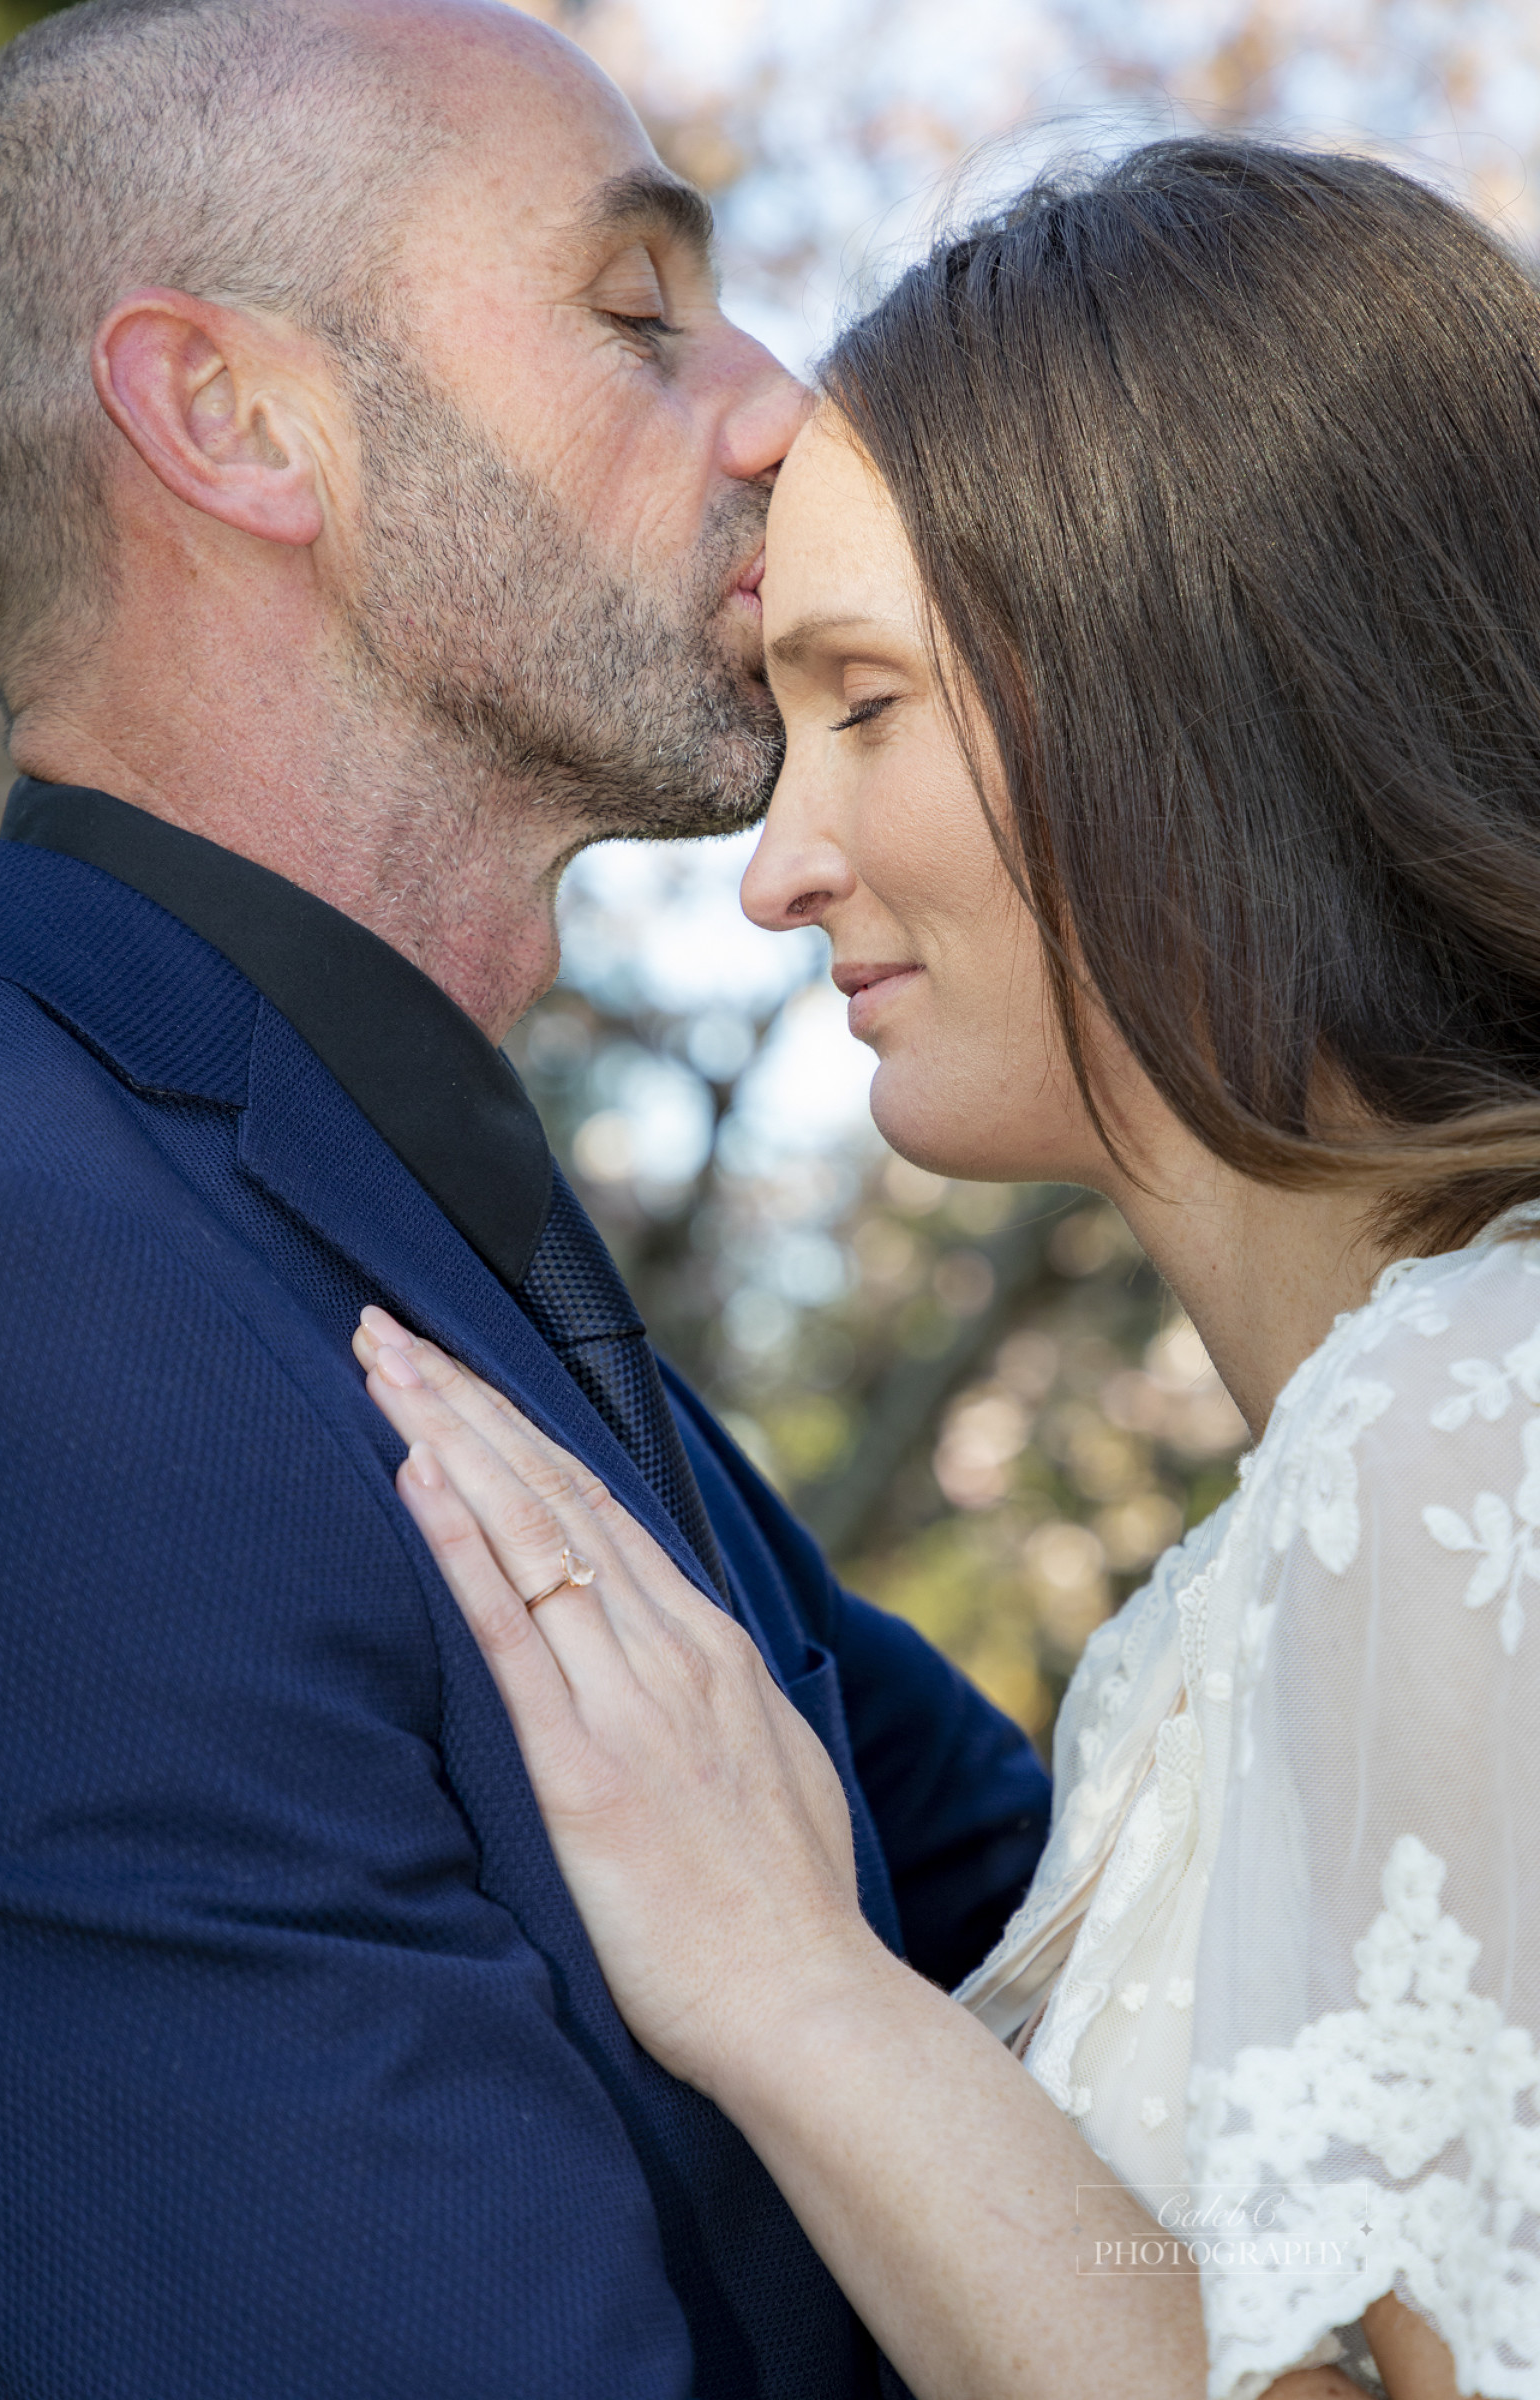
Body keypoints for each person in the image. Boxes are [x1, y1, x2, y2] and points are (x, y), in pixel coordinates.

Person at [356, 139, 1540, 2400]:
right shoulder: (1254, 1569)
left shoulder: (1467, 1428)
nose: (777, 868)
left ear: (1196, 678)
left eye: (868, 702)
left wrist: (790, 1986)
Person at [0, 3, 1052, 2394]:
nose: (774, 410)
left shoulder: (440, 1237)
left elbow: (1081, 1908)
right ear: (230, 420)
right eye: (638, 313)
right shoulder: (0, 1255)